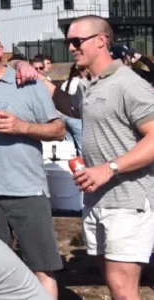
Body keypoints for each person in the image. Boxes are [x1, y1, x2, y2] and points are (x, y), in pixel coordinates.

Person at [0, 28, 65, 298]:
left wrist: (21, 126)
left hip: (26, 189)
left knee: (42, 267)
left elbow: (58, 129)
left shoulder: (27, 84)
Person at [66, 15, 154, 300]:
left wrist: (110, 168)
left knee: (122, 287)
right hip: (98, 200)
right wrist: (30, 74)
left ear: (101, 41)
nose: (71, 47)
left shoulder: (128, 83)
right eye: (68, 41)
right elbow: (67, 105)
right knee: (114, 283)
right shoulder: (92, 85)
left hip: (128, 200)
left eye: (77, 41)